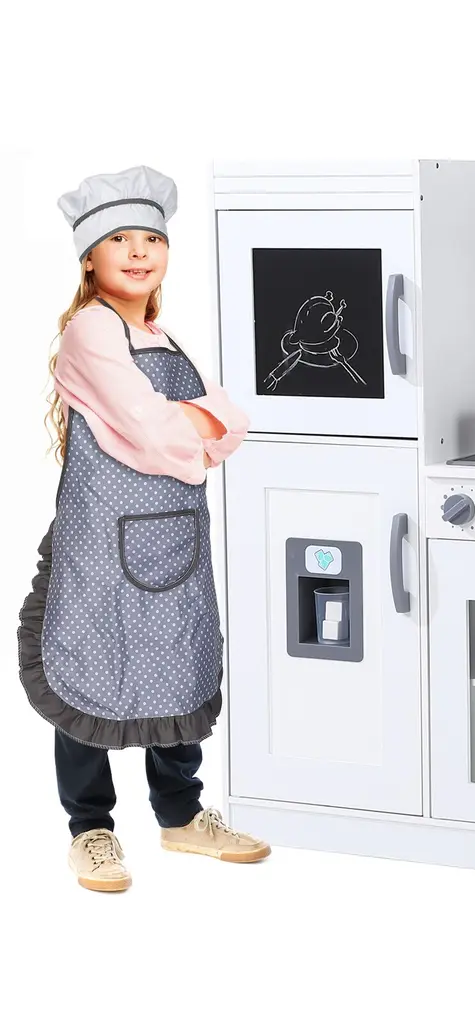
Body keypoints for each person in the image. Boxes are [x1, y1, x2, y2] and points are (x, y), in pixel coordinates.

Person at [17, 165, 270, 892]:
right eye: (119, 239)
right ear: (88, 258)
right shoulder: (90, 331)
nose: (138, 252)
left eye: (152, 239)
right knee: (88, 665)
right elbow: (157, 431)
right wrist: (193, 426)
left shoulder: (159, 335)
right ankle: (90, 831)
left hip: (173, 542)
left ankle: (182, 816)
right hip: (99, 543)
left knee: (177, 661)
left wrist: (187, 425)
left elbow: (232, 426)